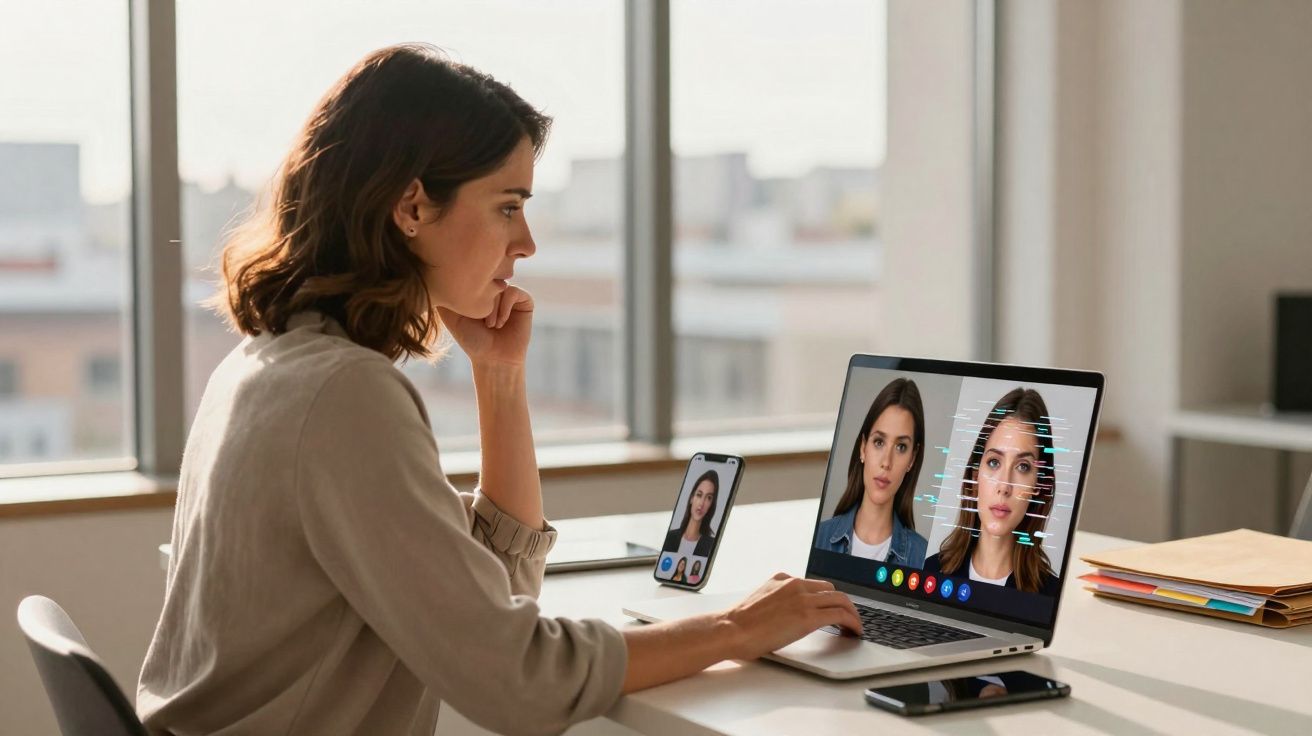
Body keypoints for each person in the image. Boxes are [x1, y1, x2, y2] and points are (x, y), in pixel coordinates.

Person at [136, 44, 860, 736]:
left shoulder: (274, 362)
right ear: (412, 207)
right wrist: (739, 627)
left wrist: (499, 375)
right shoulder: (344, 395)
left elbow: (499, 591)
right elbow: (521, 682)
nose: (528, 242)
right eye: (508, 205)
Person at [922, 388, 1061, 595]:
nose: (1004, 487)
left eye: (1023, 467)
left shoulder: (1051, 595)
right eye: (994, 462)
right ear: (975, 476)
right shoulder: (929, 572)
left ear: (1038, 486)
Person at [814, 378, 930, 567]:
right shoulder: (821, 537)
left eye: (901, 447)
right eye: (879, 442)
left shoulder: (922, 558)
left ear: (912, 459)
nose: (886, 462)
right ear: (863, 448)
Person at [662, 469, 719, 559]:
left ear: (711, 504)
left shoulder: (710, 545)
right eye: (699, 495)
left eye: (708, 498)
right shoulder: (671, 537)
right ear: (692, 498)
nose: (701, 503)